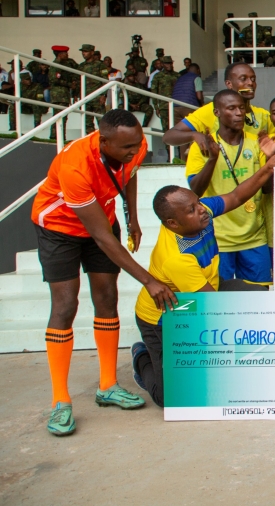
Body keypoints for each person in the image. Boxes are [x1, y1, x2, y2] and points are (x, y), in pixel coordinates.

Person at [30, 109, 177, 436]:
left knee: (107, 299)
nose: (135, 150)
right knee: (65, 306)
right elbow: (102, 238)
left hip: (101, 220)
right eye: (126, 146)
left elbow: (131, 172)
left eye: (138, 143)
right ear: (103, 141)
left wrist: (132, 218)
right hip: (59, 229)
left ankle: (108, 385)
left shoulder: (132, 146)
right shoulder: (75, 166)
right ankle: (61, 400)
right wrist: (148, 280)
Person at [132, 153, 275, 407]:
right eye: (192, 209)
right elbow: (213, 308)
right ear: (173, 223)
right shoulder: (177, 258)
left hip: (203, 293)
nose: (202, 210)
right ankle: (141, 356)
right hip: (164, 317)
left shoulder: (197, 214)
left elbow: (237, 196)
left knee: (259, 296)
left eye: (198, 202)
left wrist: (268, 168)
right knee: (170, 397)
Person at [185, 90, 273, 287]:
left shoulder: (256, 142)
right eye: (231, 108)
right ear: (217, 112)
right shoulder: (202, 146)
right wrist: (212, 160)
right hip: (218, 239)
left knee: (259, 299)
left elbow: (267, 189)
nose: (239, 113)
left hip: (254, 236)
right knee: (219, 299)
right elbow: (195, 191)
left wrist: (269, 159)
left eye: (241, 108)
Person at [164, 62, 275, 155]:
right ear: (229, 84)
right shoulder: (210, 110)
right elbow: (169, 136)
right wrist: (195, 135)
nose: (250, 83)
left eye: (253, 79)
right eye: (243, 79)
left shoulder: (263, 114)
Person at [46, 45, 78, 140]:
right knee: (58, 117)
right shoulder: (55, 65)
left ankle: (60, 137)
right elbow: (54, 79)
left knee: (63, 118)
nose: (67, 55)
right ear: (59, 54)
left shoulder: (67, 63)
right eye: (65, 53)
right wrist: (69, 84)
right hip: (58, 95)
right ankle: (54, 137)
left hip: (64, 95)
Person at [78, 45, 110, 135]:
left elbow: (105, 81)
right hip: (85, 97)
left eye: (86, 51)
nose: (83, 53)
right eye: (82, 52)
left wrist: (104, 95)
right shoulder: (81, 66)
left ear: (92, 52)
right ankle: (90, 142)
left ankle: (104, 141)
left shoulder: (100, 65)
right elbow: (78, 82)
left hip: (97, 96)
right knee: (87, 122)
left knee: (102, 121)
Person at [150, 56, 179, 132]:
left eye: (170, 63)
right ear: (162, 64)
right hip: (164, 106)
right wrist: (156, 107)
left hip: (176, 106)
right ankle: (168, 144)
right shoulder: (158, 76)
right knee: (166, 129)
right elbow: (154, 91)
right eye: (166, 63)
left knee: (178, 128)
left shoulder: (177, 75)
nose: (169, 65)